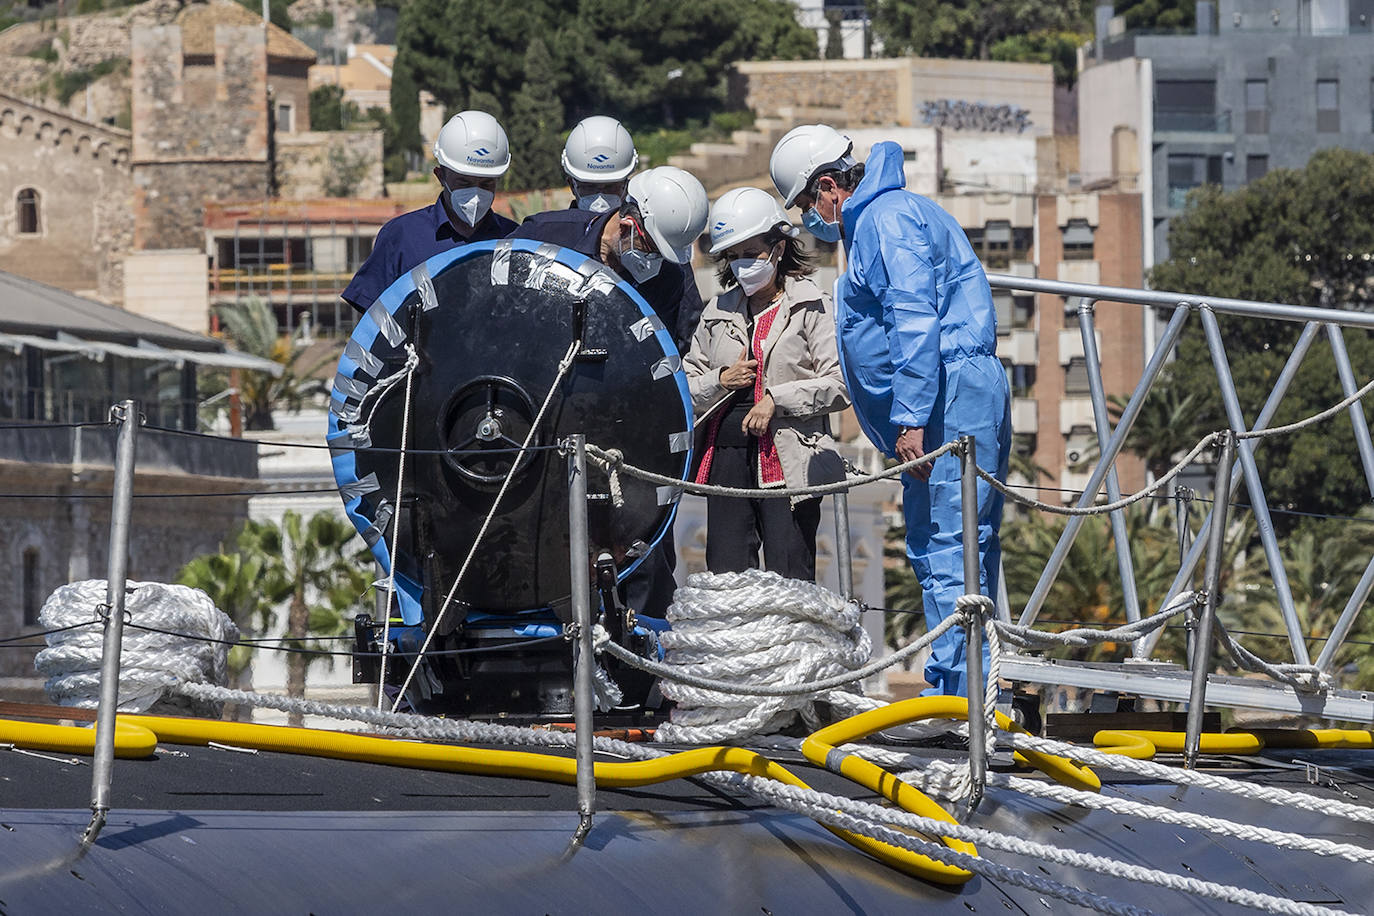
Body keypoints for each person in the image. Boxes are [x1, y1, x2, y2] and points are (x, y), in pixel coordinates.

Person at [770, 125, 1010, 697]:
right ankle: (960, 687)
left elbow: (913, 319)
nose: (810, 217)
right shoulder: (883, 218)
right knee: (945, 542)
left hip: (946, 397)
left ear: (829, 187)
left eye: (807, 203)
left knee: (952, 542)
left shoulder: (885, 220)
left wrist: (908, 420)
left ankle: (963, 696)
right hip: (947, 392)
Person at [509, 165, 710, 619]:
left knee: (644, 568)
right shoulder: (545, 238)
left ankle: (642, 678)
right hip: (539, 431)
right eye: (648, 247)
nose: (652, 260)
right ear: (628, 221)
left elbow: (677, 355)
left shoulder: (671, 277)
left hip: (626, 443)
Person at [683, 187, 848, 581]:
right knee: (726, 573)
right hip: (725, 458)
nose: (742, 265)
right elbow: (686, 384)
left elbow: (839, 384)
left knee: (791, 570)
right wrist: (721, 380)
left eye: (751, 253)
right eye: (733, 256)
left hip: (791, 462)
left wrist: (777, 399)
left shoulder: (813, 305)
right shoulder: (717, 310)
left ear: (778, 247)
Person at [342, 110, 517, 314]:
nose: (476, 193)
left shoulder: (514, 239)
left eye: (486, 183)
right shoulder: (401, 238)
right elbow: (371, 325)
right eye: (464, 182)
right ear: (440, 176)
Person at [561, 115, 637, 214]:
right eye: (589, 187)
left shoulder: (638, 228)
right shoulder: (555, 229)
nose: (600, 202)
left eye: (610, 187)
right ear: (572, 185)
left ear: (627, 186)